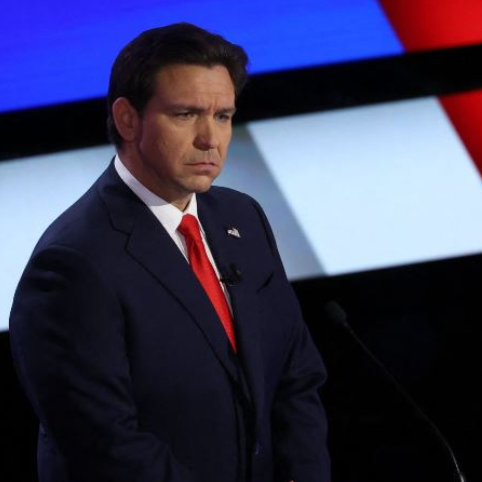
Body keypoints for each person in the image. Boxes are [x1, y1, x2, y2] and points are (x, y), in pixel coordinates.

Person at [10, 23, 329, 482]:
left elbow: (295, 377)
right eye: (185, 114)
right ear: (128, 119)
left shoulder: (243, 217)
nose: (210, 139)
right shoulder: (72, 263)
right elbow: (106, 445)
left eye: (223, 116)